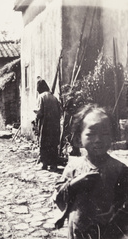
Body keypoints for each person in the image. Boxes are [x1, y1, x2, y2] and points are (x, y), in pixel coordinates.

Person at [54, 104, 128, 239]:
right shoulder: (73, 167)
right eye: (91, 134)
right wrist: (74, 184)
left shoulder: (120, 169)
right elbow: (58, 195)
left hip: (110, 231)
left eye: (105, 133)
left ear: (112, 136)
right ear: (79, 138)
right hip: (79, 230)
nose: (98, 140)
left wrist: (116, 215)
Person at [34, 78, 61, 170]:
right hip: (55, 126)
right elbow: (59, 112)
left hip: (45, 125)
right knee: (53, 144)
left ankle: (44, 164)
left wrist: (36, 114)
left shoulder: (41, 97)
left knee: (44, 143)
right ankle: (53, 164)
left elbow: (40, 112)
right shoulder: (54, 97)